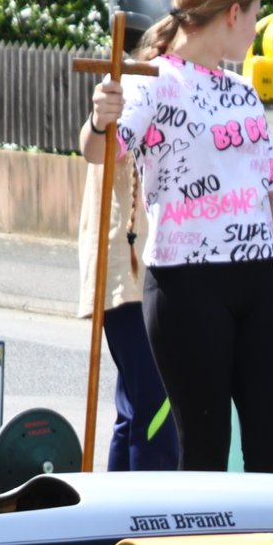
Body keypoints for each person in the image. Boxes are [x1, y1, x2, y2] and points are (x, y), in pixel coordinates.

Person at [80, 0, 273, 473]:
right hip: (186, 289)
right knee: (203, 452)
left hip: (260, 286)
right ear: (233, 13)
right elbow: (99, 151)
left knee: (272, 451)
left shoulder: (243, 93)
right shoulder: (151, 80)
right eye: (255, 15)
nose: (255, 30)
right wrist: (100, 120)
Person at [76, 142, 179, 471]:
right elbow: (93, 143)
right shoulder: (130, 96)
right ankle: (144, 515)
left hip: (134, 275)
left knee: (136, 410)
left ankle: (116, 512)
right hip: (135, 276)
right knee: (157, 414)